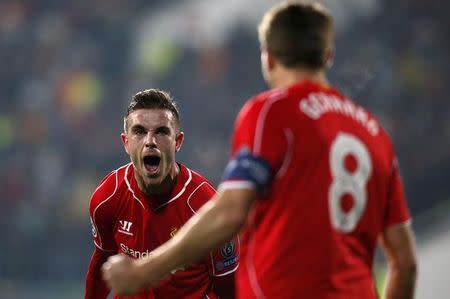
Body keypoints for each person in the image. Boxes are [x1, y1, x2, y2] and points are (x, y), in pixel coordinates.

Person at [101, 1, 417, 298]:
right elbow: (404, 263)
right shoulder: (373, 133)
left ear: (268, 56)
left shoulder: (272, 112)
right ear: (327, 55)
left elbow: (230, 212)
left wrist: (144, 271)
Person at [84, 89, 239, 299]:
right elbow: (102, 264)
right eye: (139, 131)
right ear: (126, 142)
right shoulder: (108, 196)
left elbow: (230, 289)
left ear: (178, 141)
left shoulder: (206, 208)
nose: (150, 141)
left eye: (161, 132)